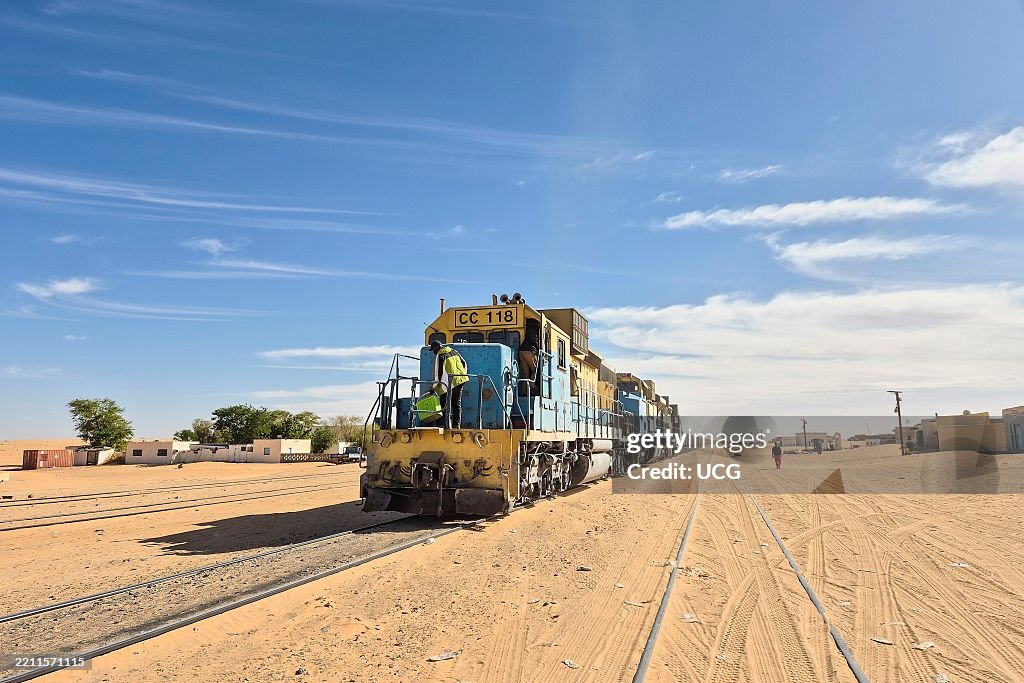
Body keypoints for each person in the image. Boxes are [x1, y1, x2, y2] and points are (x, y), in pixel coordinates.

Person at [429, 340, 468, 428]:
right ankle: (456, 424)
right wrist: (463, 374)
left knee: (443, 403)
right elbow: (464, 363)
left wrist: (433, 387)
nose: (433, 352)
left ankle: (442, 424)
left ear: (437, 347)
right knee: (456, 403)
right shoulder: (454, 352)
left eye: (433, 349)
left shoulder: (440, 355)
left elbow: (437, 373)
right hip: (461, 379)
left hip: (449, 382)